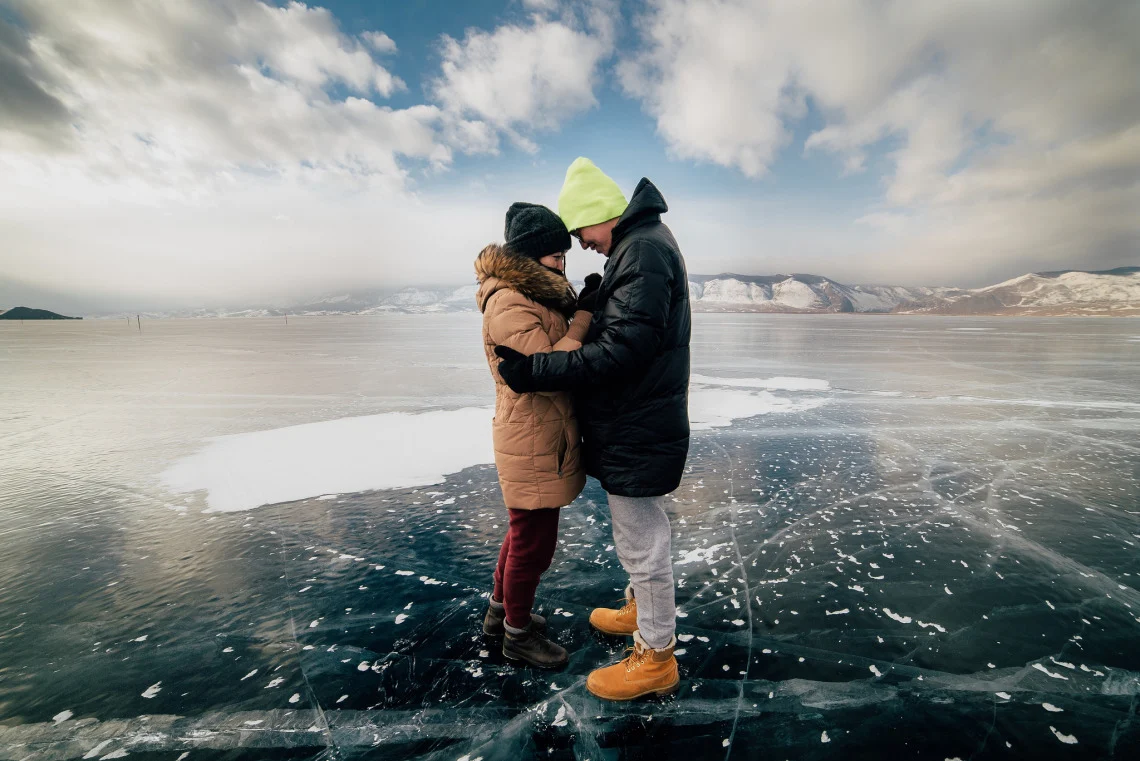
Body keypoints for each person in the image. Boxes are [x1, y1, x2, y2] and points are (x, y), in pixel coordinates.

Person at [494, 158, 691, 700]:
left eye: (580, 232)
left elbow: (623, 350)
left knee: (641, 540)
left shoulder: (643, 249)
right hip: (635, 417)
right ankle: (640, 614)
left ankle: (655, 655)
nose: (583, 245)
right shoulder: (642, 243)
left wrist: (538, 370)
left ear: (602, 215)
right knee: (636, 539)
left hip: (638, 420)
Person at [474, 202, 595, 669]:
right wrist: (583, 316)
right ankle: (517, 636)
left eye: (565, 255)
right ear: (528, 256)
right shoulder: (508, 301)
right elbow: (551, 367)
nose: (563, 263)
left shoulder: (533, 296)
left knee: (523, 533)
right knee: (533, 542)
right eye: (555, 256)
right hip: (529, 434)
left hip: (539, 431)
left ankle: (500, 614)